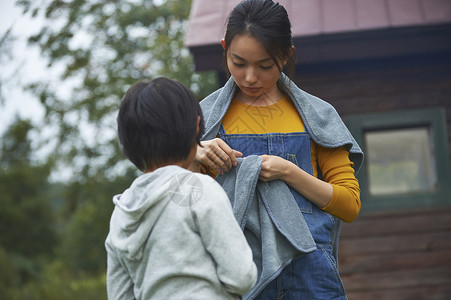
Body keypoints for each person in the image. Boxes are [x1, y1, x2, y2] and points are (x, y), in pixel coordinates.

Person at [194, 0, 364, 299]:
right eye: (238, 62)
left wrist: (289, 172)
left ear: (287, 56)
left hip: (311, 274)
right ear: (224, 48)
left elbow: (349, 205)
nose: (250, 77)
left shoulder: (318, 117)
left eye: (264, 65)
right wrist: (192, 153)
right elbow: (179, 198)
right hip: (238, 273)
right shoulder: (202, 120)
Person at [105, 77, 257, 300]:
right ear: (196, 127)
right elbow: (242, 276)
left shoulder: (122, 208)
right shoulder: (199, 188)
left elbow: (119, 295)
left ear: (127, 143)